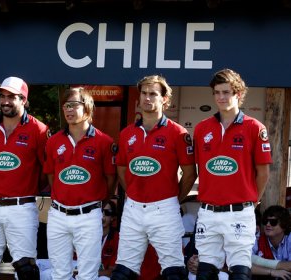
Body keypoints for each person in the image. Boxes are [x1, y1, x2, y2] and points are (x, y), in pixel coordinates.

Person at [111, 75, 197, 280]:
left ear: (165, 99)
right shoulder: (126, 133)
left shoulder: (178, 133)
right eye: (144, 93)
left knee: (173, 272)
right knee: (123, 272)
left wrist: (174, 199)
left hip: (165, 209)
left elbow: (190, 173)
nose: (147, 98)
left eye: (153, 94)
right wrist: (133, 192)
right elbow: (122, 170)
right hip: (133, 208)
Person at [193, 68, 273, 280]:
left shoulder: (254, 128)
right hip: (208, 212)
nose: (221, 97)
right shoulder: (202, 129)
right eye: (217, 92)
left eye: (226, 92)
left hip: (239, 212)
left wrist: (252, 201)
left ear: (238, 94)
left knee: (239, 272)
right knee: (204, 272)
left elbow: (263, 173)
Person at [0, 76, 51, 280]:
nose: (5, 101)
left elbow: (47, 170)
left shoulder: (39, 129)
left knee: (26, 268)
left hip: (22, 207)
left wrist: (26, 187)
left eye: (12, 97)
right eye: (3, 96)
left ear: (23, 99)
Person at [43, 87, 116, 280]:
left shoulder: (104, 142)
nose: (68, 109)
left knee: (88, 275)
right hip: (58, 214)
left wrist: (95, 202)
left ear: (88, 108)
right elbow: (52, 177)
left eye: (74, 104)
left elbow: (111, 180)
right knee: (59, 274)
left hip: (89, 216)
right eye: (66, 105)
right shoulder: (53, 142)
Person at [252, 205, 291, 280]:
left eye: (273, 222)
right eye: (265, 221)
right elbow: (244, 264)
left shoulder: (289, 239)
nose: (268, 224)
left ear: (284, 225)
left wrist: (258, 262)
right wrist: (271, 271)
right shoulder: (257, 240)